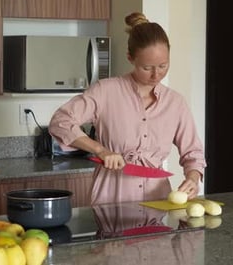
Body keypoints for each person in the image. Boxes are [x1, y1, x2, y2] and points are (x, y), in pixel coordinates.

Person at [49, 12, 206, 205]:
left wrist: (193, 177)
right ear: (130, 58)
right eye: (147, 68)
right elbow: (60, 122)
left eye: (163, 65)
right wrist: (101, 150)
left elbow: (193, 154)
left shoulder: (176, 103)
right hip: (110, 200)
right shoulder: (105, 91)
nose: (156, 75)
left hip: (158, 201)